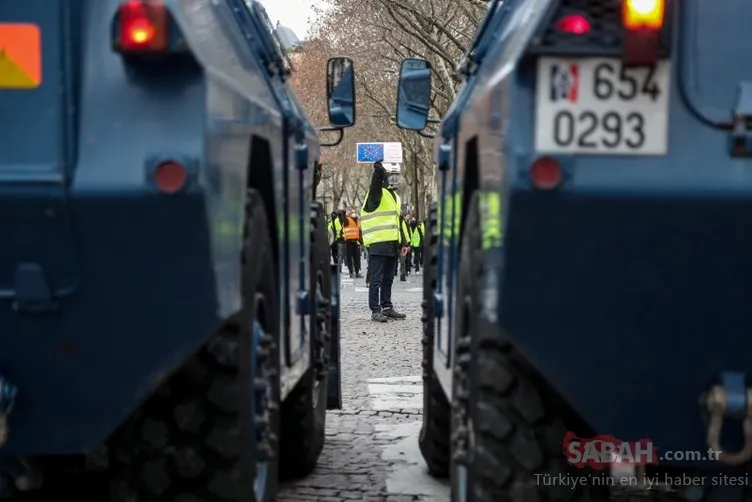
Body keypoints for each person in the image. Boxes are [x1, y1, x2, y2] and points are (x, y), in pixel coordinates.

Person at [360, 161, 407, 322]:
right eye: (390, 175)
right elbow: (375, 185)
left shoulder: (395, 197)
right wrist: (378, 171)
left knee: (388, 279)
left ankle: (387, 307)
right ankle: (375, 310)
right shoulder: (376, 194)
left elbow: (397, 222)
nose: (393, 179)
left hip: (392, 245)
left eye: (396, 176)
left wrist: (403, 243)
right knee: (376, 279)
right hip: (378, 244)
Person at [343, 212, 363, 278]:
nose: (354, 214)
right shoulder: (347, 220)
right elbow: (343, 219)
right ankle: (351, 272)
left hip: (356, 241)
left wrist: (361, 242)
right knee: (349, 257)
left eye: (354, 212)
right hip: (349, 241)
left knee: (357, 257)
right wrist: (343, 214)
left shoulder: (357, 221)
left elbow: (359, 232)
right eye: (352, 213)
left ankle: (357, 272)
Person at [398, 212, 411, 281]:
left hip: (400, 244)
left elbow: (405, 232)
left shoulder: (402, 221)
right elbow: (406, 232)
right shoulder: (402, 221)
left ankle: (402, 275)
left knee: (402, 260)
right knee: (402, 261)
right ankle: (402, 275)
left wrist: (408, 243)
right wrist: (408, 243)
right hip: (401, 244)